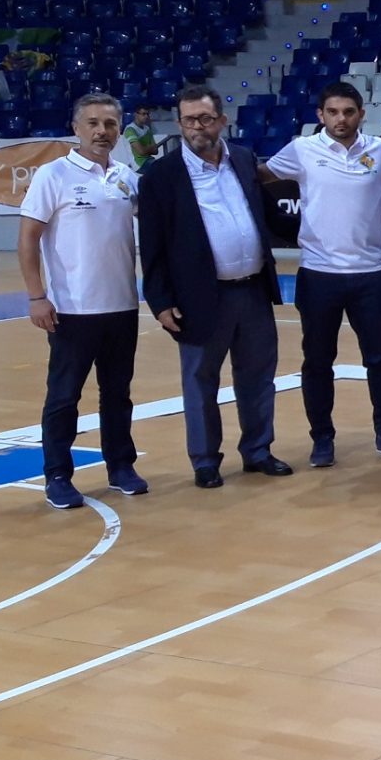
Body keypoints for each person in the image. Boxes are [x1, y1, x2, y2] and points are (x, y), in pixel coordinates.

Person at [139, 85, 288, 488]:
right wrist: (160, 302)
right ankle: (205, 460)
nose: (197, 127)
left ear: (222, 121)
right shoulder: (160, 176)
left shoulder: (243, 159)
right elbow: (151, 246)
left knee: (258, 376)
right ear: (180, 124)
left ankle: (258, 451)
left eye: (205, 119)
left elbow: (268, 216)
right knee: (200, 381)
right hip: (199, 297)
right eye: (189, 120)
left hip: (253, 290)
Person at [263, 82, 381, 467]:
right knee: (316, 362)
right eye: (333, 112)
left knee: (379, 358)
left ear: (361, 114)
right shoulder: (301, 150)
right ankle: (322, 439)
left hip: (371, 274)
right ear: (320, 115)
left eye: (348, 112)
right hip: (318, 274)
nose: (340, 119)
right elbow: (258, 178)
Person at [20, 92, 145, 508]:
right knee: (64, 397)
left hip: (123, 306)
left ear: (119, 130)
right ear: (76, 128)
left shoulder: (127, 178)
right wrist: (37, 296)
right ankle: (57, 475)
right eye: (92, 123)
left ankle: (121, 467)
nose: (101, 131)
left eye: (109, 124)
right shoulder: (53, 175)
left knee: (118, 394)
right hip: (72, 311)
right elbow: (28, 238)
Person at [123, 103, 159, 169]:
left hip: (149, 160)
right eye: (143, 114)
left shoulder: (147, 128)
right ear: (135, 114)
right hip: (138, 165)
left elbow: (156, 151)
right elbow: (141, 151)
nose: (146, 116)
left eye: (147, 114)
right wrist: (150, 147)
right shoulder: (130, 130)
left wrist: (145, 149)